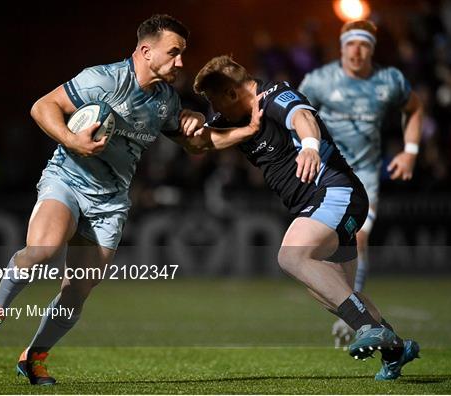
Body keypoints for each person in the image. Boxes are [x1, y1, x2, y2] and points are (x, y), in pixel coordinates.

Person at [0, 14, 214, 386]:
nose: (180, 62)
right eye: (173, 52)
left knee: (79, 287)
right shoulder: (104, 78)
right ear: (146, 51)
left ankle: (33, 356)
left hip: (111, 200)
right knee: (44, 249)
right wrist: (71, 139)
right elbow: (42, 107)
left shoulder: (165, 99)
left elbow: (189, 139)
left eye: (182, 53)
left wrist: (194, 119)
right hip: (68, 179)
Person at [174, 55, 419, 381]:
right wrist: (199, 123)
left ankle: (368, 329)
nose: (212, 109)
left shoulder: (274, 96)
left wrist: (310, 147)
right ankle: (394, 350)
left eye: (213, 99)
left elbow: (302, 116)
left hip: (336, 193)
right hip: (321, 205)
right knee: (329, 290)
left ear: (232, 93)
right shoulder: (237, 115)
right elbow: (200, 144)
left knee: (291, 255)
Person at [298, 20, 423, 348]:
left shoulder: (388, 80)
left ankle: (349, 317)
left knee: (359, 238)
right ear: (341, 47)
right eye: (351, 43)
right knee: (324, 254)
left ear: (372, 48)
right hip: (326, 175)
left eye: (364, 44)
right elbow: (296, 116)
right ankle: (352, 308)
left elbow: (414, 108)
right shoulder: (320, 80)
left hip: (363, 177)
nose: (357, 50)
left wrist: (410, 152)